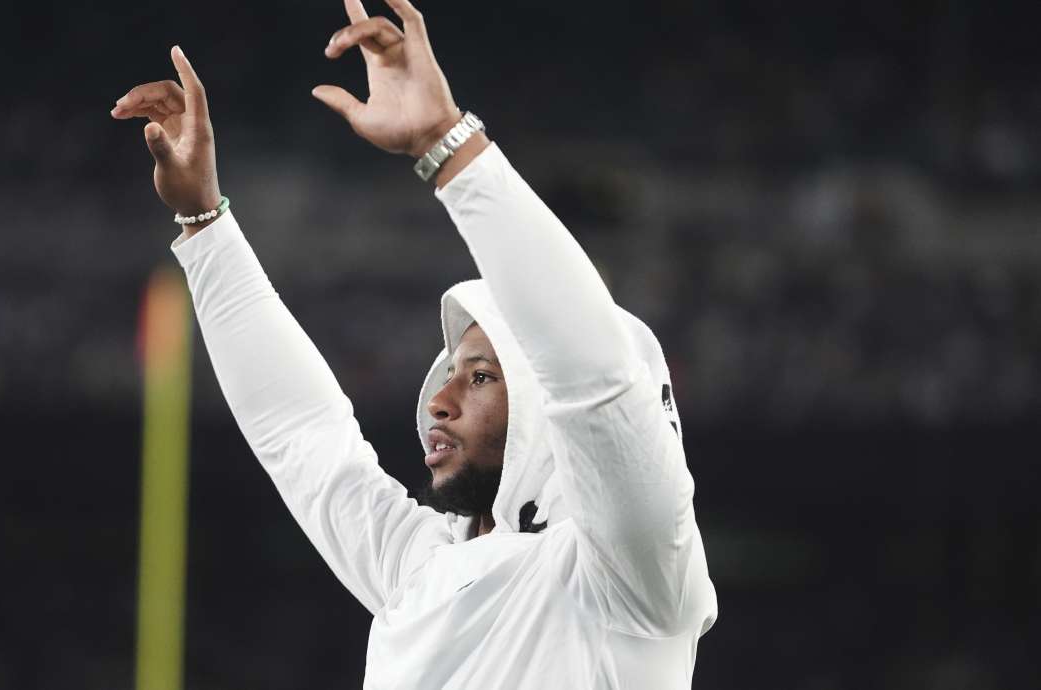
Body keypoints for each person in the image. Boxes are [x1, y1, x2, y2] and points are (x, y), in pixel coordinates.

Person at [111, 0, 717, 686]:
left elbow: (596, 380)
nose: (440, 400)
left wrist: (447, 143)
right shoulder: (422, 567)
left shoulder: (635, 575)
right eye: (452, 373)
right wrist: (203, 223)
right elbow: (302, 436)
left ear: (552, 409)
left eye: (483, 376)